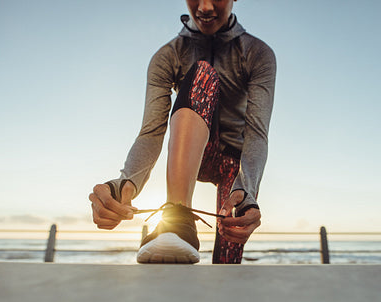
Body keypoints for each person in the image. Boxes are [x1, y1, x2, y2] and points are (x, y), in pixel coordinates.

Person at [89, 0, 276, 264]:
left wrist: (248, 192)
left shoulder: (257, 53)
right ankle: (177, 218)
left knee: (229, 259)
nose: (205, 7)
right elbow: (151, 131)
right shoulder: (168, 56)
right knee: (202, 73)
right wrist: (125, 182)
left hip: (234, 167)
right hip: (191, 155)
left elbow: (256, 133)